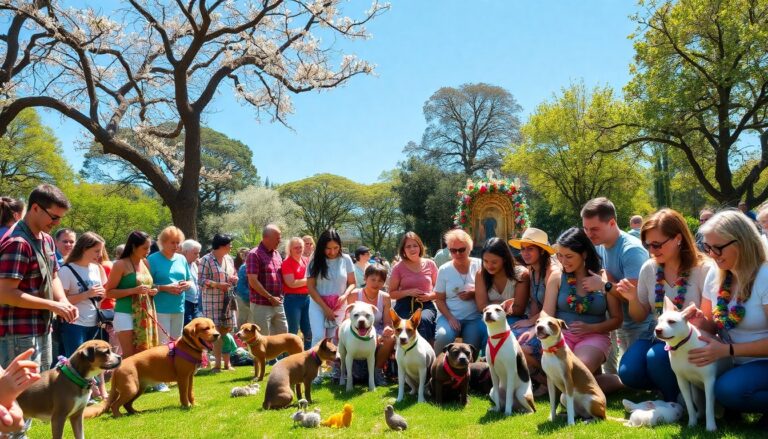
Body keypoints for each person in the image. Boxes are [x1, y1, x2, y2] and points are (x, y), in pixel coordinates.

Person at [617, 208, 712, 401]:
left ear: (678, 238)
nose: (652, 250)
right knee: (628, 372)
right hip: (655, 331)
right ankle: (671, 387)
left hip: (691, 337)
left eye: (657, 244)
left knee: (657, 357)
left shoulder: (704, 268)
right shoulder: (650, 268)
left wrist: (700, 320)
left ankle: (676, 402)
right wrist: (632, 298)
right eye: (648, 245)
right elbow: (640, 315)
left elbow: (712, 323)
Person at [694, 210, 768, 427]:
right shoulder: (715, 274)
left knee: (727, 390)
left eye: (718, 247)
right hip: (729, 360)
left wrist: (728, 350)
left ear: (743, 242)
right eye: (707, 247)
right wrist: (698, 321)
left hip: (761, 361)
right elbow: (710, 324)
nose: (712, 254)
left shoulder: (764, 276)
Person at [520, 228, 622, 384]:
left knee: (575, 373)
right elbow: (547, 311)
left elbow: (617, 320)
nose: (563, 261)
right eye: (559, 256)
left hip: (593, 337)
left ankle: (617, 382)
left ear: (584, 254)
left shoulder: (603, 277)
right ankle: (551, 382)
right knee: (522, 350)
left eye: (569, 256)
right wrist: (535, 327)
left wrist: (591, 328)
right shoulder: (557, 276)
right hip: (560, 337)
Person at [0, 184, 77, 370]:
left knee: (39, 391)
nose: (57, 223)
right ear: (35, 208)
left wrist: (63, 301)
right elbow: (5, 293)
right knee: (21, 396)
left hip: (43, 328)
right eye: (54, 217)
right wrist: (52, 305)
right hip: (18, 334)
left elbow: (53, 276)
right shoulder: (18, 243)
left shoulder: (47, 239)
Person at [581, 197, 650, 387]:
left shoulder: (631, 251)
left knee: (633, 376)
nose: (589, 234)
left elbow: (637, 299)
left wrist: (605, 285)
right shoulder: (598, 246)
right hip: (614, 322)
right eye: (586, 229)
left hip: (639, 326)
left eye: (594, 229)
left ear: (612, 223)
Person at [509, 227, 559, 395]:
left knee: (523, 346)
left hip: (554, 323)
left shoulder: (553, 272)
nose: (525, 253)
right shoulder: (531, 270)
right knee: (511, 338)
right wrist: (528, 321)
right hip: (539, 320)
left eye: (530, 249)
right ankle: (541, 379)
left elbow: (550, 309)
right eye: (523, 249)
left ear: (542, 251)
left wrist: (531, 326)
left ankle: (545, 380)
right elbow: (535, 304)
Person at [104, 231, 158, 358]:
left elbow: (149, 285)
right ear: (133, 247)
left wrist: (152, 291)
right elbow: (109, 292)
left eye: (149, 247)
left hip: (145, 314)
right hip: (125, 314)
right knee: (130, 356)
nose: (148, 251)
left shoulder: (145, 262)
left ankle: (142, 378)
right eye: (145, 248)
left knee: (144, 354)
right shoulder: (120, 264)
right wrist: (133, 291)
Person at [433, 229, 484, 353]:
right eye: (453, 250)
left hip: (474, 317)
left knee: (472, 348)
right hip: (449, 316)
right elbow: (439, 299)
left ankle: (469, 371)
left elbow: (490, 291)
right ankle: (437, 368)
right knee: (443, 336)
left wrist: (474, 293)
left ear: (470, 248)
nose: (457, 253)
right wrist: (450, 318)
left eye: (461, 249)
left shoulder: (480, 265)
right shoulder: (444, 269)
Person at [57, 232, 108, 356]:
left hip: (95, 322)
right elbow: (60, 301)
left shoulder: (97, 268)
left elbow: (103, 294)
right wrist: (87, 294)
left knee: (93, 363)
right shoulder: (66, 270)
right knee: (76, 364)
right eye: (97, 251)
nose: (100, 255)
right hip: (74, 325)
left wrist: (101, 295)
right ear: (85, 249)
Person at [345, 264, 395, 386]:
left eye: (380, 280)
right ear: (365, 278)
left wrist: (387, 329)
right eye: (373, 279)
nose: (376, 283)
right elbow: (347, 320)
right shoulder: (354, 294)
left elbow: (387, 322)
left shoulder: (385, 297)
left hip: (377, 331)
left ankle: (377, 372)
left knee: (390, 339)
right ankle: (342, 372)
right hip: (356, 331)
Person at [307, 229, 355, 347]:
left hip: (338, 305)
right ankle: (315, 364)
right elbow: (311, 287)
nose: (332, 252)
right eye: (328, 248)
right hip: (318, 304)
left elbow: (353, 283)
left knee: (334, 338)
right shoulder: (314, 260)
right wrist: (325, 308)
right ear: (322, 247)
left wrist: (345, 296)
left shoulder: (346, 259)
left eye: (336, 248)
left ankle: (333, 365)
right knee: (318, 337)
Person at [389, 232, 439, 343]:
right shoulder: (398, 267)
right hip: (404, 305)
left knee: (423, 320)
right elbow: (392, 293)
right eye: (408, 246)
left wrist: (429, 296)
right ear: (403, 250)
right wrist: (408, 292)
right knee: (405, 324)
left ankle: (425, 354)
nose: (412, 249)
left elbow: (439, 290)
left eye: (415, 245)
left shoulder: (430, 264)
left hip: (425, 304)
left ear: (420, 247)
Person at [199, 233, 238, 372]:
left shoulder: (229, 259)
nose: (231, 246)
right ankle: (217, 365)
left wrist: (233, 278)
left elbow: (232, 274)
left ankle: (227, 364)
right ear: (221, 245)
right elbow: (201, 281)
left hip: (227, 300)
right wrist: (217, 285)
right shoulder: (206, 260)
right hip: (212, 301)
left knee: (226, 331)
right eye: (229, 244)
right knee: (215, 333)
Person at [147, 226, 191, 345]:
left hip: (179, 307)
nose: (175, 246)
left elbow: (190, 279)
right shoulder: (152, 259)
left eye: (178, 243)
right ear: (162, 242)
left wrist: (187, 284)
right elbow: (146, 285)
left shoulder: (182, 259)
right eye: (172, 242)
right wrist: (164, 288)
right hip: (160, 308)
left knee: (177, 342)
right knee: (163, 343)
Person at [474, 237, 530, 323]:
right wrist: (504, 306)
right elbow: (481, 306)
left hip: (514, 319)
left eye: (494, 262)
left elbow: (519, 309)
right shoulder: (481, 275)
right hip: (489, 320)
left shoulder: (521, 274)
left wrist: (493, 304)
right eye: (485, 261)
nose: (489, 266)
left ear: (504, 259)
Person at [247, 224, 288, 336]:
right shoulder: (254, 254)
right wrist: (270, 297)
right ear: (266, 238)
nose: (279, 241)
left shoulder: (276, 254)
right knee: (263, 339)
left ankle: (281, 355)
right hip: (261, 304)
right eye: (277, 238)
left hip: (278, 303)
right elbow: (253, 281)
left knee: (283, 336)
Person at [281, 237, 311, 350]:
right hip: (292, 300)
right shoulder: (287, 263)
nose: (299, 249)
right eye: (296, 247)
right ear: (290, 249)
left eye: (301, 247)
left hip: (307, 298)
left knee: (308, 330)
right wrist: (309, 280)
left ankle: (308, 356)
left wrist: (306, 281)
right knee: (292, 330)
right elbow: (291, 283)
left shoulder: (306, 261)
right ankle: (289, 357)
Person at [180, 239, 202, 326]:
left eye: (198, 253)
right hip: (185, 301)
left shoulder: (194, 264)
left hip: (196, 302)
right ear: (185, 252)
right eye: (195, 253)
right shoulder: (180, 265)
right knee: (187, 328)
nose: (197, 256)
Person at [233, 247, 251, 326]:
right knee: (243, 318)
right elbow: (240, 286)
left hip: (246, 296)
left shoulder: (246, 265)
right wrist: (250, 296)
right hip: (243, 297)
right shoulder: (245, 267)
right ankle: (239, 336)